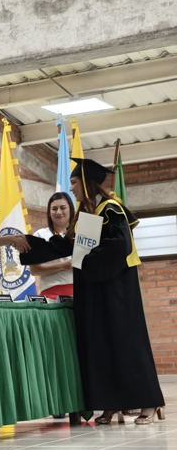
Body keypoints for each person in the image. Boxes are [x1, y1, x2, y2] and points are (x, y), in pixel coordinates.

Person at [20, 158, 165, 426]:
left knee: (126, 343)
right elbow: (67, 247)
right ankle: (110, 404)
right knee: (101, 346)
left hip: (117, 291)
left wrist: (85, 261)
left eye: (74, 182)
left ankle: (149, 402)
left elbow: (118, 247)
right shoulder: (89, 215)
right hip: (95, 291)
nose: (71, 188)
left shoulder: (111, 210)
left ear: (87, 183)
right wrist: (27, 246)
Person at [31, 192, 74, 300]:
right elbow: (34, 270)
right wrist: (63, 266)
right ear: (49, 213)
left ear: (70, 210)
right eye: (54, 209)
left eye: (63, 208)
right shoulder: (39, 235)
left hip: (80, 294)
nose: (58, 212)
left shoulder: (81, 234)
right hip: (49, 296)